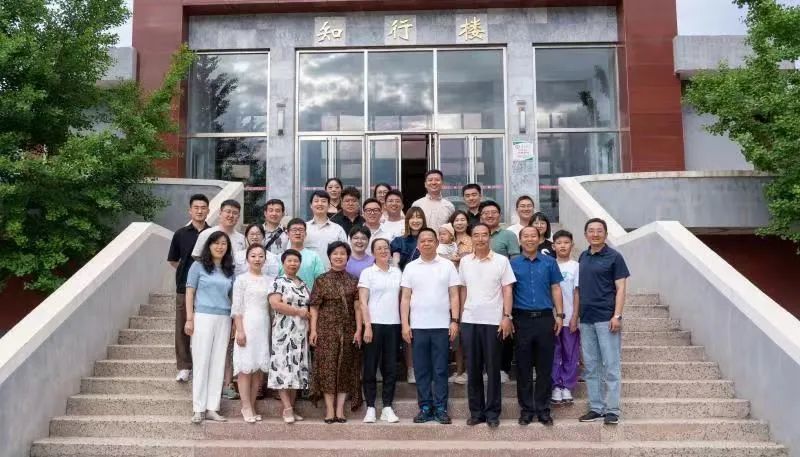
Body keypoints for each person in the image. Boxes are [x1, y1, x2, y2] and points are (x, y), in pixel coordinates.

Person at [400, 228, 462, 424]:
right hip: (418, 326)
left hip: (442, 326)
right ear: (418, 245)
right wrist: (405, 324)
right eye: (423, 240)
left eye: (430, 240)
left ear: (436, 243)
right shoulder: (411, 267)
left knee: (441, 369)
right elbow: (405, 298)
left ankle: (441, 408)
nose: (426, 243)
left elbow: (454, 295)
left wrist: (454, 320)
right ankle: (425, 407)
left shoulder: (447, 265)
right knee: (421, 369)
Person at [458, 223, 516, 427]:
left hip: (494, 322)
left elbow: (507, 290)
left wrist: (507, 316)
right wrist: (460, 316)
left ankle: (492, 413)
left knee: (493, 369)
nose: (480, 239)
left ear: (490, 237)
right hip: (470, 320)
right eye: (476, 235)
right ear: (471, 238)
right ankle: (476, 412)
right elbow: (463, 290)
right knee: (473, 369)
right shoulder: (465, 261)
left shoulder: (501, 261)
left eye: (484, 235)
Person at [577, 218, 630, 426]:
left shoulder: (615, 257)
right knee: (591, 366)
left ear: (605, 234)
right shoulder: (583, 256)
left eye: (599, 231)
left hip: (606, 319)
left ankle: (612, 410)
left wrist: (617, 315)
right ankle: (596, 407)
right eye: (591, 231)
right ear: (586, 235)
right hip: (586, 319)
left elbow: (621, 288)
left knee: (611, 365)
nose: (595, 234)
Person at [511, 226, 564, 426]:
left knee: (544, 367)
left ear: (539, 238)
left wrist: (560, 315)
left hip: (544, 319)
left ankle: (543, 409)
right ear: (520, 240)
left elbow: (555, 288)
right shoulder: (512, 264)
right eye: (526, 236)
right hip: (521, 319)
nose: (530, 239)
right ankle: (526, 410)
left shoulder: (550, 262)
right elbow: (508, 291)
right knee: (523, 367)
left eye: (533, 236)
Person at [309, 241, 363, 423]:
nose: (339, 256)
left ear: (347, 257)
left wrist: (359, 329)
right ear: (329, 257)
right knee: (327, 368)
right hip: (326, 330)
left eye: (342, 253)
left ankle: (340, 410)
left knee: (345, 368)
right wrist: (313, 330)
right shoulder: (321, 280)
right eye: (335, 253)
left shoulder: (354, 280)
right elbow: (314, 307)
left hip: (348, 329)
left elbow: (358, 307)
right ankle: (329, 410)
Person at [185, 231, 236, 424]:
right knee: (201, 361)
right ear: (209, 245)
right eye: (216, 243)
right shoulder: (197, 266)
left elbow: (232, 297)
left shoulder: (229, 270)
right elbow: (190, 293)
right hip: (203, 317)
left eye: (224, 244)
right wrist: (189, 319)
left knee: (218, 362)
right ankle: (198, 409)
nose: (220, 247)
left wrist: (234, 322)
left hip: (224, 318)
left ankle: (212, 408)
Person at [167, 193, 209, 383]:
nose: (200, 211)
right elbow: (173, 260)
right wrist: (189, 273)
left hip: (207, 290)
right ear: (190, 211)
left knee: (204, 328)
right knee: (182, 326)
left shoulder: (213, 234)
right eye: (196, 208)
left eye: (203, 208)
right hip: (184, 288)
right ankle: (184, 366)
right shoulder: (180, 234)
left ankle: (202, 365)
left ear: (208, 210)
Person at [359, 238, 402, 424]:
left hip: (393, 324)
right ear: (373, 252)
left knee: (390, 367)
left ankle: (387, 407)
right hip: (373, 325)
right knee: (370, 367)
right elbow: (363, 302)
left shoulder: (397, 272)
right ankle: (370, 407)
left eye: (386, 248)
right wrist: (367, 326)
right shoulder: (368, 273)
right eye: (379, 248)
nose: (383, 251)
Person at [268, 249, 312, 423]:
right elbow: (275, 304)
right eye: (289, 260)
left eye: (296, 261)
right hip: (283, 331)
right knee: (282, 367)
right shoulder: (278, 282)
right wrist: (297, 311)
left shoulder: (303, 283)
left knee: (296, 369)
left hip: (301, 332)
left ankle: (292, 408)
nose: (293, 264)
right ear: (283, 263)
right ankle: (286, 408)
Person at [231, 244, 272, 423]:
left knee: (258, 369)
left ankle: (252, 405)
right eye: (253, 256)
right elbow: (237, 308)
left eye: (260, 256)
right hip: (247, 324)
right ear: (247, 259)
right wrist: (239, 330)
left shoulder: (270, 280)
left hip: (263, 326)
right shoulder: (241, 280)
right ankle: (245, 406)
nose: (257, 259)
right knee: (245, 367)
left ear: (265, 259)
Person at [551, 230, 581, 405]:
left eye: (566, 242)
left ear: (572, 245)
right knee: (554, 352)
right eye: (559, 243)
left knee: (570, 352)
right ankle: (556, 385)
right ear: (553, 246)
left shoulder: (576, 267)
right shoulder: (549, 264)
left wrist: (575, 315)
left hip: (570, 316)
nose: (562, 246)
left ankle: (567, 386)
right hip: (552, 317)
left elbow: (577, 292)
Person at [306, 190, 348, 270]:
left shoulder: (338, 229)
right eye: (316, 201)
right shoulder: (303, 228)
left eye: (323, 201)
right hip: (308, 274)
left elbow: (346, 254)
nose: (320, 204)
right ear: (311, 205)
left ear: (329, 205)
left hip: (331, 274)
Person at [280, 218, 325, 290]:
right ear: (288, 233)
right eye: (294, 230)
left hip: (308, 296)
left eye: (301, 230)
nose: (298, 233)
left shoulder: (314, 256)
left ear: (305, 234)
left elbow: (321, 281)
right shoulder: (280, 257)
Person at [390, 206, 426, 271]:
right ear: (407, 220)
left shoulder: (429, 241)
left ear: (423, 220)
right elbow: (396, 266)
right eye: (412, 217)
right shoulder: (398, 241)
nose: (415, 221)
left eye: (419, 217)